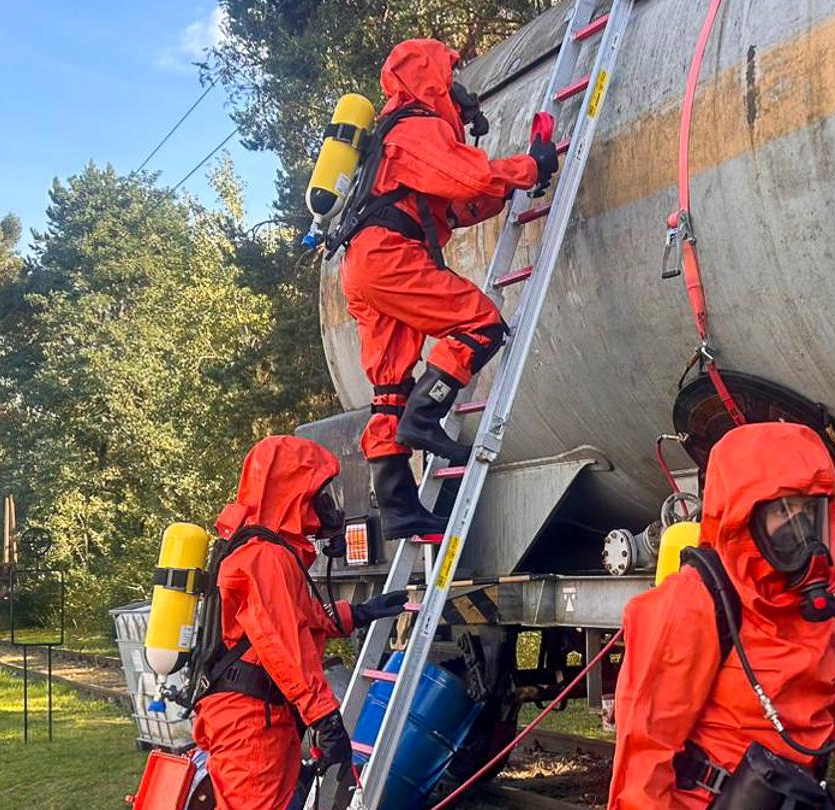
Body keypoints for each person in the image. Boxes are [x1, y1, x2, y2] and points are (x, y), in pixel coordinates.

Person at [606, 423, 835, 810]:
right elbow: (645, 747)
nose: (799, 527)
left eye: (809, 509)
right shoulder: (697, 599)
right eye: (781, 510)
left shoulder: (828, 598)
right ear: (744, 516)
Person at [341, 38, 560, 539]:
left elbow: (457, 206)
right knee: (482, 324)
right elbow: (467, 179)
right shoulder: (418, 125)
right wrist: (530, 166)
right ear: (430, 77)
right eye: (450, 75)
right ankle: (426, 415)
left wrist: (509, 186)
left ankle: (399, 507)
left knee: (388, 388)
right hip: (390, 254)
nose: (459, 90)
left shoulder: (390, 139)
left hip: (366, 263)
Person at [194, 436, 411, 809]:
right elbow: (282, 644)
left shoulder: (264, 551)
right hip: (251, 723)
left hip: (254, 715)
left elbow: (296, 620)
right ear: (290, 492)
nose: (327, 505)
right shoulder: (267, 557)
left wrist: (358, 613)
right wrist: (325, 718)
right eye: (318, 492)